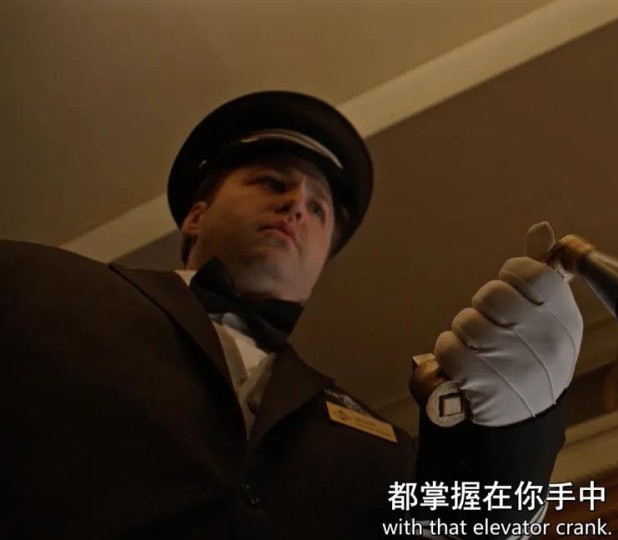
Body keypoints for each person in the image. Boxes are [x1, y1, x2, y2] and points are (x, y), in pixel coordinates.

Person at [0, 91, 583, 539]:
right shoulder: (32, 283)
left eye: (319, 209)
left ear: (324, 257)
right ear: (196, 216)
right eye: (272, 182)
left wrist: (515, 434)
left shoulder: (386, 447)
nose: (296, 206)